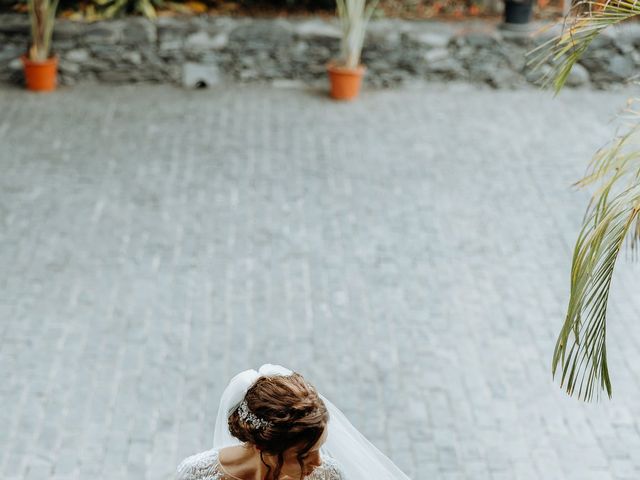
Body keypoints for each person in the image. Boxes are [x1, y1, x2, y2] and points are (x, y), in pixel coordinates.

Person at [176, 364, 412, 480]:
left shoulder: (327, 477)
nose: (319, 461)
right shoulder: (196, 474)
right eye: (304, 454)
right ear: (263, 447)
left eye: (319, 448)